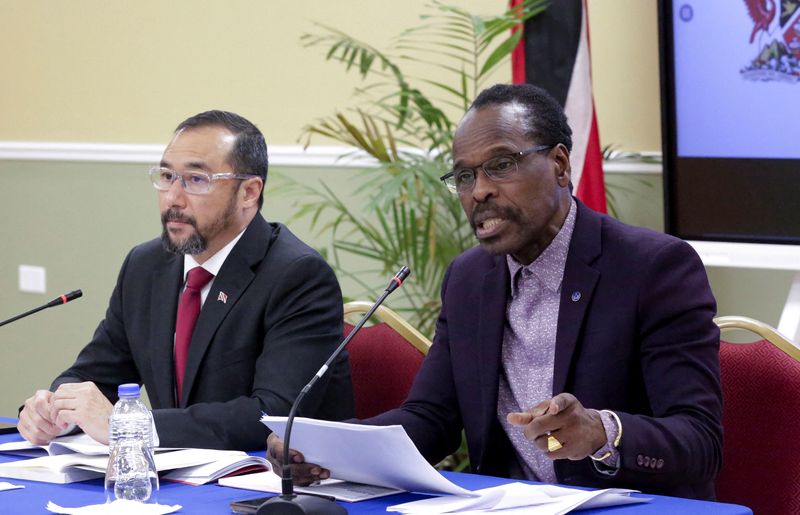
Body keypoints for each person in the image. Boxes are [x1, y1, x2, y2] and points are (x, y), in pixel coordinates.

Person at [267, 84, 722, 499]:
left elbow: (700, 441)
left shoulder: (652, 268)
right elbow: (432, 419)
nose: (479, 191)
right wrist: (324, 446)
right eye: (464, 177)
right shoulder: (470, 278)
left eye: (500, 165)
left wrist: (602, 433)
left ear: (560, 164)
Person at [18, 110, 353, 450]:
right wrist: (54, 412)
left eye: (196, 180)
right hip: (174, 477)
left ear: (249, 192)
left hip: (265, 486)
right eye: (166, 176)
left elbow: (274, 414)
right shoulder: (146, 265)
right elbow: (97, 374)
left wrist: (132, 425)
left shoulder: (297, 275)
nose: (172, 198)